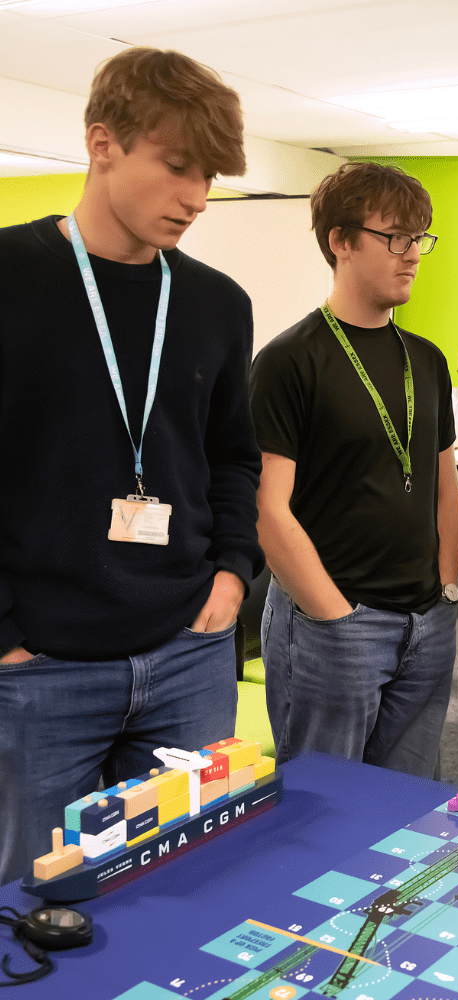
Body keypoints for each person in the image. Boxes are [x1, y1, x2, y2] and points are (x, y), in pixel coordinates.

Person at [0, 47, 263, 886]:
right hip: (42, 669)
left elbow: (232, 457)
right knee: (43, 907)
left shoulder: (218, 302)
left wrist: (232, 575)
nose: (195, 197)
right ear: (102, 141)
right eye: (177, 165)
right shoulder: (8, 277)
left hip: (188, 652)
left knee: (187, 883)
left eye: (210, 176)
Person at [251, 162, 458, 779]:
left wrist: (447, 589)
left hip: (425, 622)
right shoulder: (290, 360)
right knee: (322, 807)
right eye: (395, 237)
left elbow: (442, 482)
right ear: (340, 242)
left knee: (406, 809)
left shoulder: (425, 359)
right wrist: (334, 616)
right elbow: (269, 508)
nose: (413, 255)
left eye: (420, 238)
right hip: (334, 624)